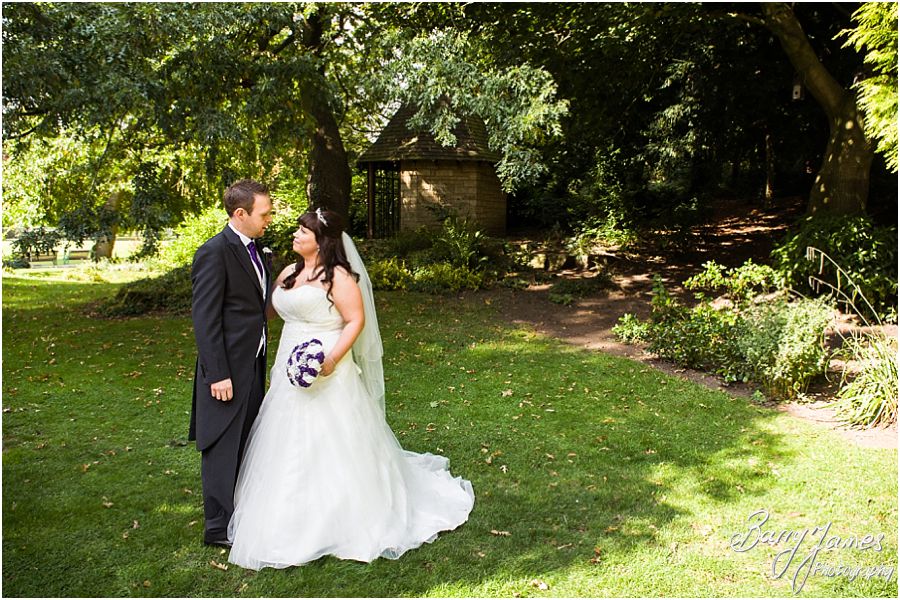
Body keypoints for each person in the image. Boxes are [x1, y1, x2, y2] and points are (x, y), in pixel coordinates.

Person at [227, 208, 474, 570]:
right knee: (285, 434)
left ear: (321, 241)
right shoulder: (289, 272)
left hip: (327, 365)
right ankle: (287, 511)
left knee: (331, 436)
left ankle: (342, 513)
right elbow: (269, 311)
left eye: (302, 231)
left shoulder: (339, 277)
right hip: (288, 365)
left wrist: (329, 360)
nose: (295, 235)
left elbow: (355, 320)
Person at [189, 179, 274, 547]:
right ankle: (217, 527)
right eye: (264, 214)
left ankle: (239, 514)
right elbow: (205, 319)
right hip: (225, 371)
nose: (269, 220)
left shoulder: (257, 251)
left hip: (252, 363)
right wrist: (217, 374)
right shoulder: (214, 252)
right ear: (240, 213)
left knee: (245, 440)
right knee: (221, 445)